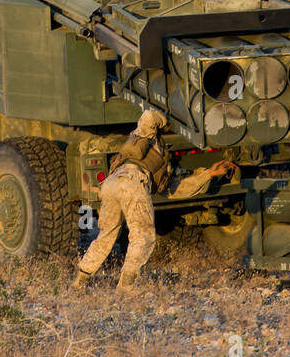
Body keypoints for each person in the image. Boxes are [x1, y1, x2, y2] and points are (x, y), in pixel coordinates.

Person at [73, 109, 236, 292]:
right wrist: (168, 123)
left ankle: (80, 279)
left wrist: (209, 174)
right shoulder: (147, 136)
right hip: (133, 182)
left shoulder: (147, 148)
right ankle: (126, 285)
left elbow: (177, 189)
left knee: (106, 236)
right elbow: (149, 115)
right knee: (143, 236)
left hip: (111, 185)